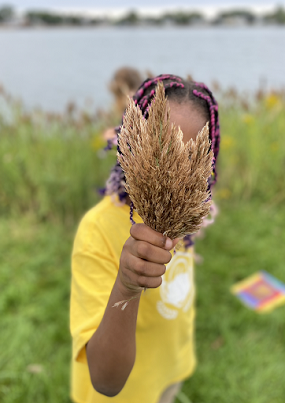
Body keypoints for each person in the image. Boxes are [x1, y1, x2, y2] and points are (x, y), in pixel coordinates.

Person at [70, 74, 220, 403]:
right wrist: (126, 284)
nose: (170, 177)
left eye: (188, 162)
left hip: (168, 371)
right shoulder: (97, 229)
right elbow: (106, 382)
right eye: (158, 153)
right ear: (130, 143)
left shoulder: (185, 219)